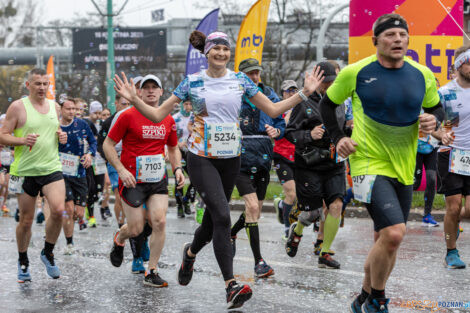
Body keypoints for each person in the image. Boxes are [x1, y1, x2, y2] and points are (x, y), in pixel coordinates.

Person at [113, 30, 323, 309]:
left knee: (214, 221)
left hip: (231, 158)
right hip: (201, 159)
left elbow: (273, 110)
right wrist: (134, 99)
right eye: (216, 49)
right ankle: (230, 285)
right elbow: (157, 114)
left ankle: (190, 252)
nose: (221, 54)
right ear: (207, 53)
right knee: (223, 215)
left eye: (226, 49)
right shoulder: (192, 82)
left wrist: (304, 93)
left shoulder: (240, 81)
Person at [318, 14, 444, 313]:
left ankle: (363, 296)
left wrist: (433, 118)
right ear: (375, 41)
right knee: (395, 233)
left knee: (386, 239)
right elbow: (328, 104)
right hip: (367, 162)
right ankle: (377, 298)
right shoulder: (356, 72)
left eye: (402, 34)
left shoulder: (421, 74)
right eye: (390, 35)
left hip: (403, 164)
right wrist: (338, 138)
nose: (398, 39)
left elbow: (436, 106)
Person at [105, 74, 185, 287]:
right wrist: (121, 170)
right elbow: (108, 145)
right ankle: (120, 238)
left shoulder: (167, 119)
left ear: (161, 92)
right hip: (132, 179)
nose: (150, 91)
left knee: (159, 221)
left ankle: (152, 270)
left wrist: (177, 168)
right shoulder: (126, 116)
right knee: (136, 229)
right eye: (146, 87)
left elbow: (173, 146)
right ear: (138, 92)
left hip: (157, 178)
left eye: (154, 87)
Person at [0, 68, 68, 282]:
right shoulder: (17, 107)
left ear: (49, 85)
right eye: (37, 83)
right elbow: (2, 135)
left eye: (44, 84)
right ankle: (23, 260)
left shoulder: (55, 107)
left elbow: (55, 133)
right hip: (24, 171)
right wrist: (22, 140)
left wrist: (62, 137)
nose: (41, 87)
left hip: (51, 168)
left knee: (58, 210)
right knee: (26, 220)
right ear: (28, 85)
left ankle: (47, 252)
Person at [284, 61, 347, 270]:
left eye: (332, 82)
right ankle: (298, 229)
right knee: (312, 213)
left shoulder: (341, 101)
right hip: (309, 164)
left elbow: (341, 129)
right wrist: (309, 135)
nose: (329, 86)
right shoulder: (303, 102)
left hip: (334, 162)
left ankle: (325, 251)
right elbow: (290, 133)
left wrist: (349, 131)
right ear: (318, 81)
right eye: (326, 82)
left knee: (336, 204)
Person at [230, 58, 285, 278]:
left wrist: (278, 132)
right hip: (239, 157)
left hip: (263, 157)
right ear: (241, 75)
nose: (254, 77)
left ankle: (231, 234)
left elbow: (280, 121)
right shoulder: (233, 95)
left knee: (256, 210)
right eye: (249, 74)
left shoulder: (270, 95)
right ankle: (258, 262)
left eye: (256, 73)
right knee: (252, 207)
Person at [435, 44, 470, 269]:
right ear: (459, 66)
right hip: (451, 154)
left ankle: (453, 224)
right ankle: (451, 251)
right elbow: (431, 125)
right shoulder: (445, 93)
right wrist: (441, 133)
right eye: (469, 62)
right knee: (453, 207)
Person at [58, 97, 97, 254]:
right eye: (68, 109)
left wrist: (90, 154)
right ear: (61, 110)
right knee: (68, 207)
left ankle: (69, 226)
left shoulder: (82, 124)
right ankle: (69, 242)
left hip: (79, 172)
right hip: (61, 173)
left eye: (74, 109)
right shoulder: (56, 126)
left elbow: (93, 141)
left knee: (79, 212)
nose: (72, 112)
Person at [273, 80, 299, 239]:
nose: (291, 94)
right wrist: (292, 109)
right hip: (281, 155)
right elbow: (283, 125)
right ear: (282, 93)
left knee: (300, 196)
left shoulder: (302, 108)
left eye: (294, 91)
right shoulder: (276, 108)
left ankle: (282, 206)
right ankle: (287, 229)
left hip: (298, 156)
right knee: (291, 194)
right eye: (288, 91)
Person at [172, 100, 197, 218]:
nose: (188, 107)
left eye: (190, 104)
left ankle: (186, 200)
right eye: (186, 104)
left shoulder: (195, 117)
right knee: (179, 179)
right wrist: (177, 144)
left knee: (196, 179)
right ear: (181, 105)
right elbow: (170, 137)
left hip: (191, 151)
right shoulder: (175, 118)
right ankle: (179, 206)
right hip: (178, 151)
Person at [84, 100, 105, 227]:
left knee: (99, 189)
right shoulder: (86, 123)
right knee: (91, 188)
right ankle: (91, 215)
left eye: (99, 112)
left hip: (100, 161)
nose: (97, 115)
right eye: (95, 113)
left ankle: (90, 205)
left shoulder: (103, 124)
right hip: (90, 160)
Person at [414, 126, 440, 227]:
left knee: (432, 179)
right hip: (416, 148)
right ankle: (399, 214)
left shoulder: (436, 110)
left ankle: (427, 216)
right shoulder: (415, 109)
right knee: (415, 183)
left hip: (432, 147)